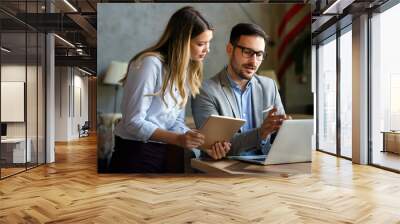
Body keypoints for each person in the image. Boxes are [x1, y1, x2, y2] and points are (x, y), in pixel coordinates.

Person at [110, 6, 231, 173]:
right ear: (182, 41)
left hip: (162, 152)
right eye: (201, 43)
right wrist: (178, 139)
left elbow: (175, 123)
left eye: (209, 42)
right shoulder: (149, 64)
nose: (207, 49)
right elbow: (133, 122)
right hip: (134, 153)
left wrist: (203, 143)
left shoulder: (186, 70)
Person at [191, 23, 290, 157]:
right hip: (223, 168)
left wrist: (287, 129)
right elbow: (216, 145)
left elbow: (280, 136)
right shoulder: (205, 91)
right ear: (230, 49)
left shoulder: (269, 86)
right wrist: (260, 133)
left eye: (259, 54)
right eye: (248, 52)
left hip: (265, 165)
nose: (254, 62)